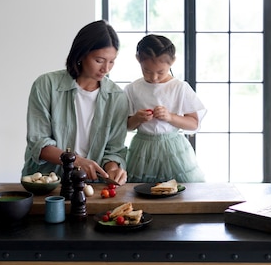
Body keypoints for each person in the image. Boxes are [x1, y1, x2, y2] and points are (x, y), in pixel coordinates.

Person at [22, 20, 129, 185]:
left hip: (93, 186)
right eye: (99, 60)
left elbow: (114, 150)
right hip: (47, 183)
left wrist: (113, 168)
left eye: (112, 61)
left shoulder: (117, 97)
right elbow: (39, 143)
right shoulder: (46, 85)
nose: (106, 69)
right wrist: (76, 161)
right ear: (81, 54)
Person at [124, 34, 206, 183]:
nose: (154, 77)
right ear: (138, 60)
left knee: (181, 191)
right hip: (142, 149)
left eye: (160, 72)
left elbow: (194, 123)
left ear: (172, 62)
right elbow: (127, 126)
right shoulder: (133, 89)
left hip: (173, 149)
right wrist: (137, 118)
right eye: (147, 71)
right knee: (141, 191)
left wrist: (170, 117)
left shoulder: (179, 87)